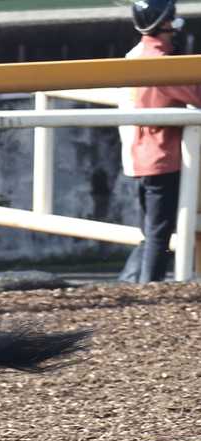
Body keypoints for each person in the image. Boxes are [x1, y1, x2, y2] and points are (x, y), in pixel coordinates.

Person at [119, 0, 201, 283]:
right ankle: (148, 290)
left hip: (138, 156)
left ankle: (132, 284)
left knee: (150, 232)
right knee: (158, 235)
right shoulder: (163, 63)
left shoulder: (136, 53)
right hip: (162, 158)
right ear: (164, 23)